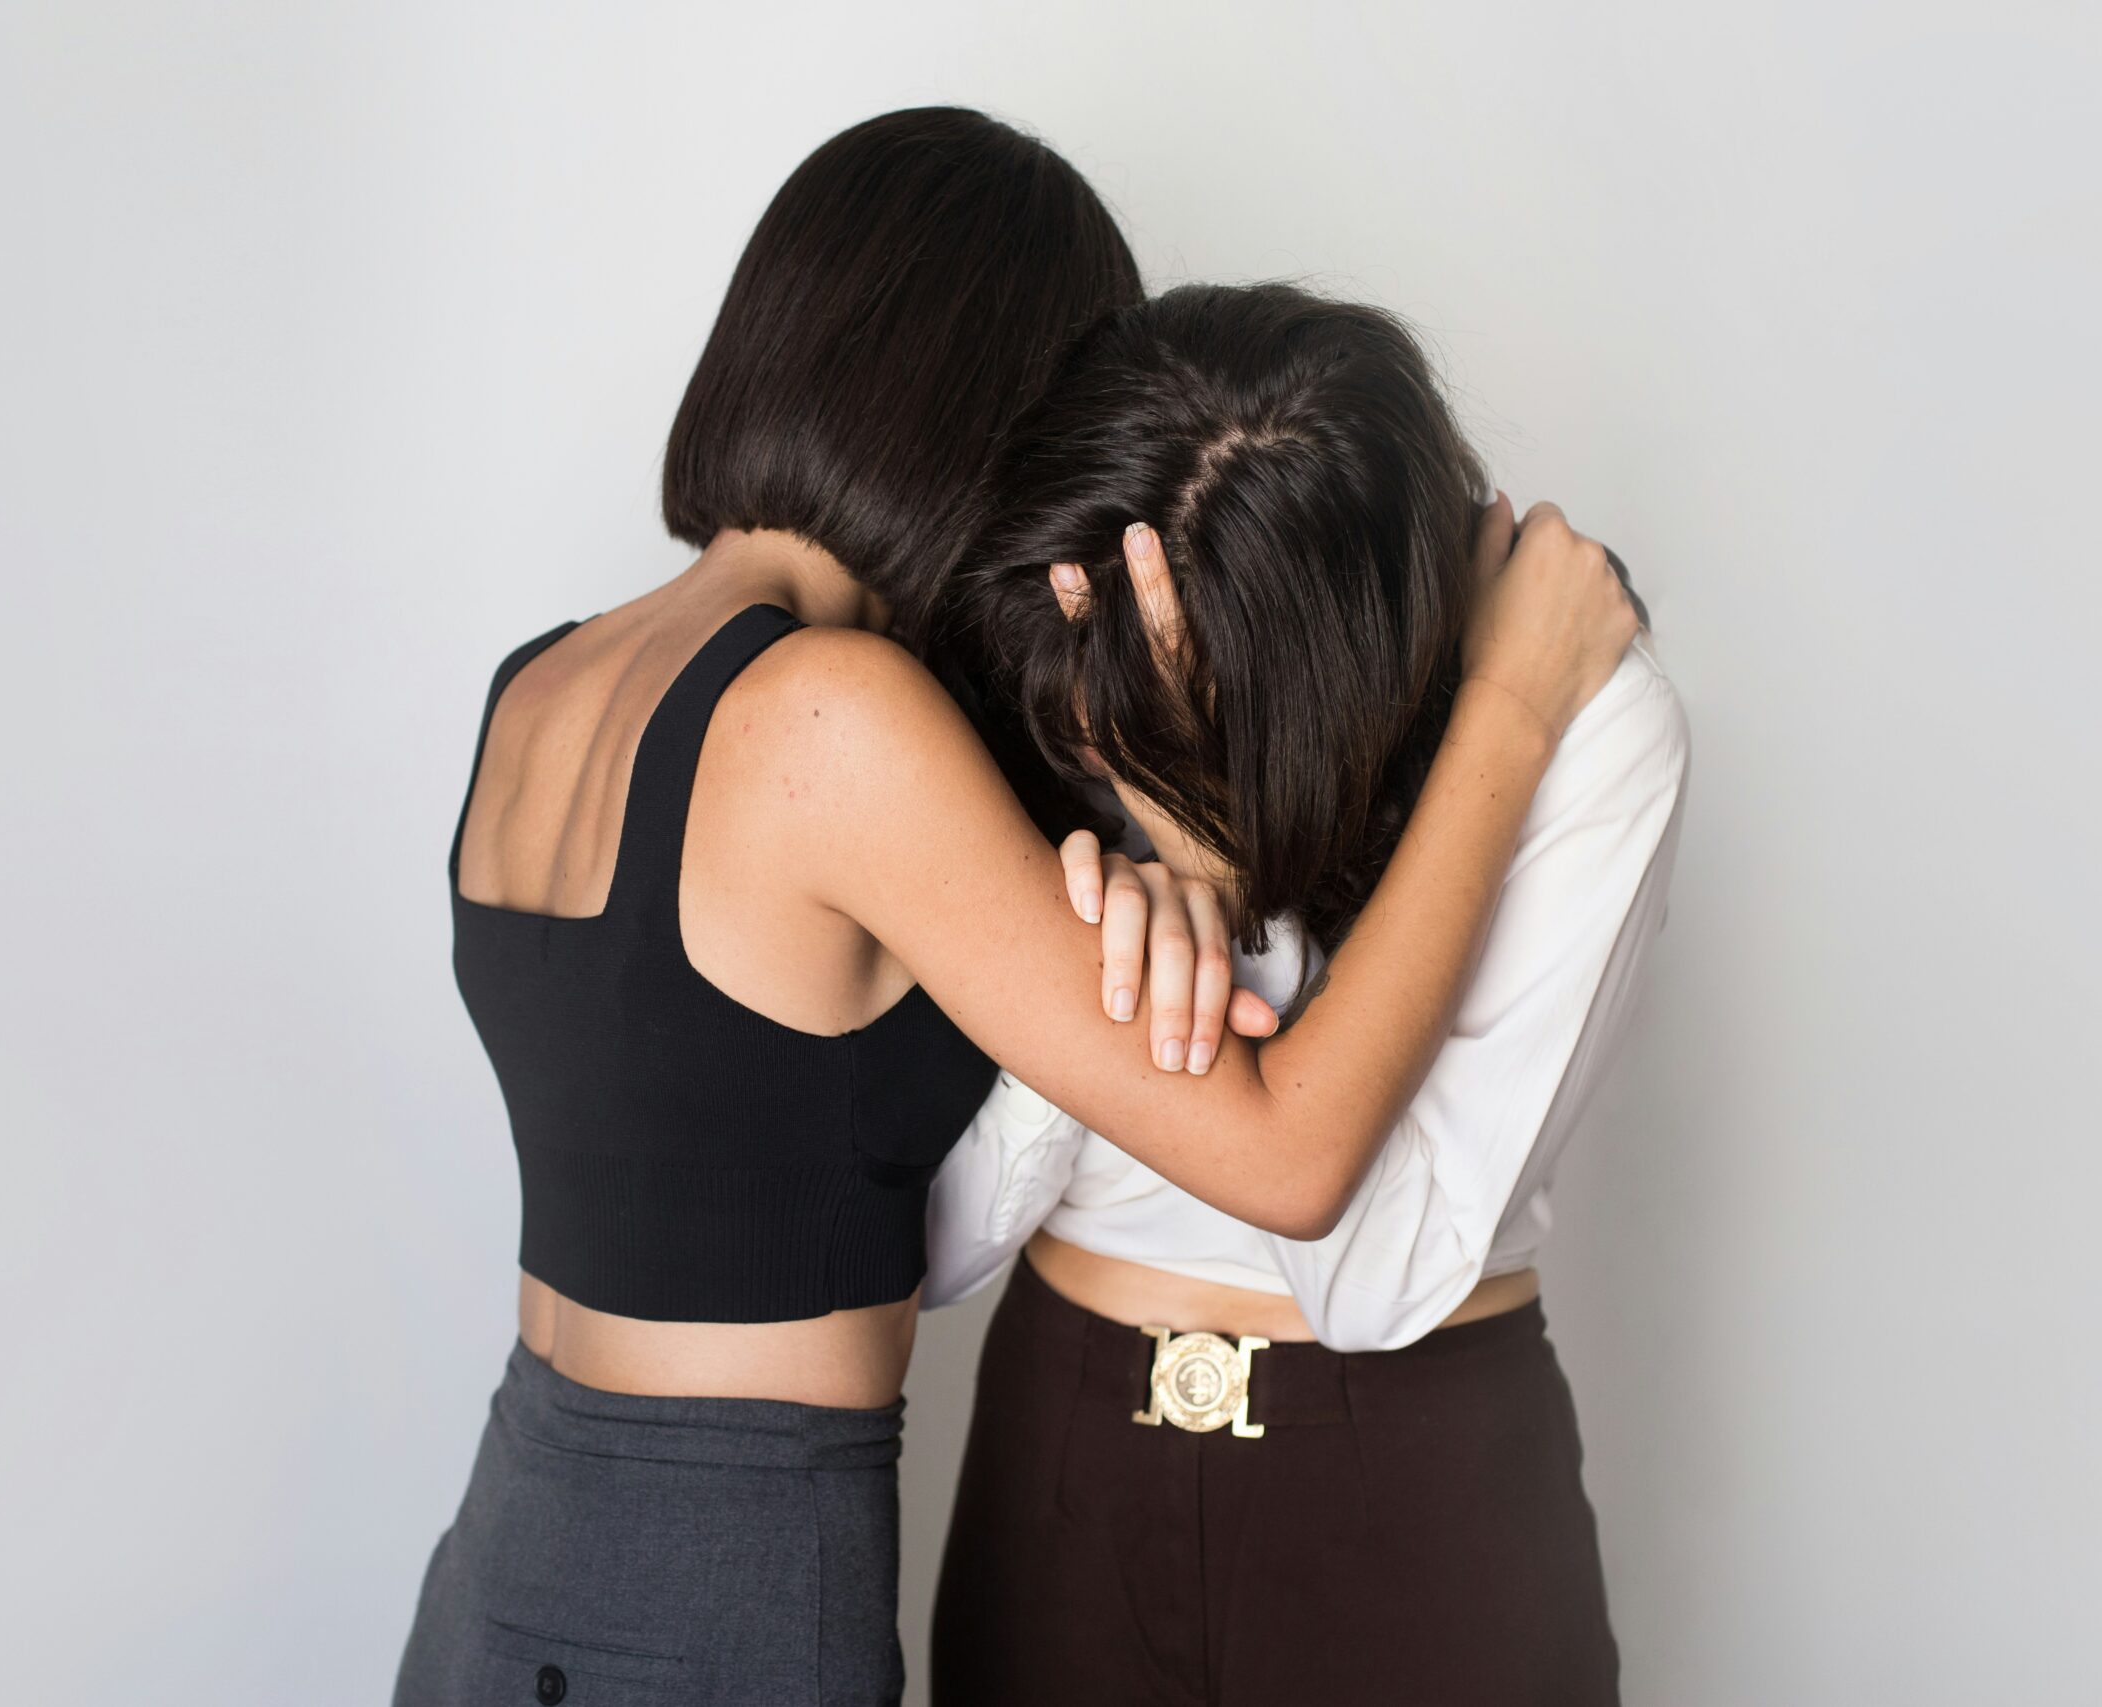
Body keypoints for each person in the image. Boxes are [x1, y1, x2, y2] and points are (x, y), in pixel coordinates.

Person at [394, 109, 1637, 1704]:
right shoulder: (833, 719)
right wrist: (1510, 711)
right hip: (721, 1573)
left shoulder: (542, 688)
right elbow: (1290, 1154)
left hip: (514, 1543)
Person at [923, 282, 1689, 1706]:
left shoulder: (1584, 722)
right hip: (1065, 1456)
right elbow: (939, 1244)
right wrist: (1089, 977)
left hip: (1412, 1480)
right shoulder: (1072, 653)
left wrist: (1229, 867)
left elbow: (1368, 1275)